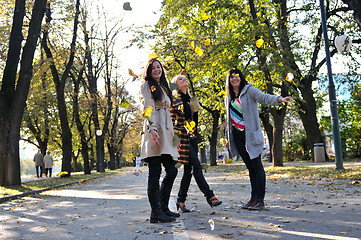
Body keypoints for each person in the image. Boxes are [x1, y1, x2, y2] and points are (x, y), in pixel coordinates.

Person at [225, 68, 293, 210]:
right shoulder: (228, 97)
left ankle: (260, 200)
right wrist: (227, 138)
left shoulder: (249, 90)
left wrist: (280, 99)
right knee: (250, 168)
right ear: (229, 80)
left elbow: (264, 98)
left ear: (241, 78)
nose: (234, 79)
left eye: (237, 76)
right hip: (237, 136)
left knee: (257, 166)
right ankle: (253, 198)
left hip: (250, 135)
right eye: (231, 77)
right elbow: (229, 119)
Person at [170, 74, 222, 212]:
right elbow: (171, 120)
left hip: (192, 137)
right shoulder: (175, 99)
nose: (184, 79)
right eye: (180, 79)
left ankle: (180, 200)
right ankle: (210, 196)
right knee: (197, 166)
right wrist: (174, 139)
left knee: (188, 171)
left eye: (184, 78)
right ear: (176, 84)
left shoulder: (191, 100)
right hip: (181, 138)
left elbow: (194, 121)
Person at [139, 58, 180, 223]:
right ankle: (155, 212)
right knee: (155, 172)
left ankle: (163, 208)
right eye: (153, 68)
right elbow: (147, 108)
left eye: (159, 67)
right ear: (148, 71)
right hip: (154, 130)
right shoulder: (146, 85)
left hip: (166, 132)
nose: (157, 70)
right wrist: (152, 129)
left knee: (172, 170)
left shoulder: (163, 87)